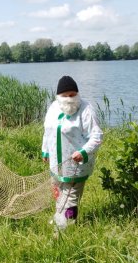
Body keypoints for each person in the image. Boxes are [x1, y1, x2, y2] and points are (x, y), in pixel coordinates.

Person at [42, 76, 103, 230]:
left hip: (77, 164)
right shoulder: (53, 108)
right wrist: (45, 150)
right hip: (57, 162)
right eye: (65, 95)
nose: (69, 99)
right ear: (58, 97)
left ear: (77, 94)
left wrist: (84, 151)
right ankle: (59, 217)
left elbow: (97, 136)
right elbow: (48, 131)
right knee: (58, 192)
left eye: (72, 95)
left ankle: (66, 227)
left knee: (71, 197)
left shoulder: (86, 109)